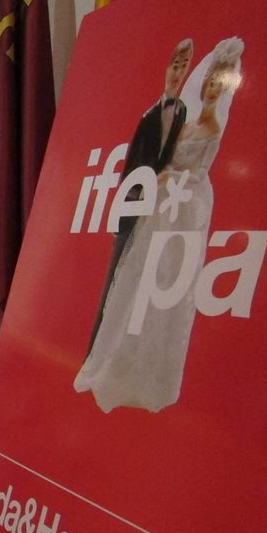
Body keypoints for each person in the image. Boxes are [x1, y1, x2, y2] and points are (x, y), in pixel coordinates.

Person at [75, 37, 244, 413]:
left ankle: (147, 373)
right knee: (131, 281)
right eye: (210, 81)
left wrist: (170, 179)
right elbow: (154, 156)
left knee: (164, 284)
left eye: (219, 84)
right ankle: (110, 358)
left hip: (180, 212)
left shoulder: (212, 129)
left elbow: (196, 174)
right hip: (152, 208)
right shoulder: (180, 118)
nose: (211, 88)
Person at [84, 39, 194, 355]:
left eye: (183, 66)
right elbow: (132, 165)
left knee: (139, 286)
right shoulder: (148, 116)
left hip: (158, 210)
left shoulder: (182, 111)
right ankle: (93, 352)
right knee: (113, 282)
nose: (177, 73)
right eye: (174, 65)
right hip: (133, 205)